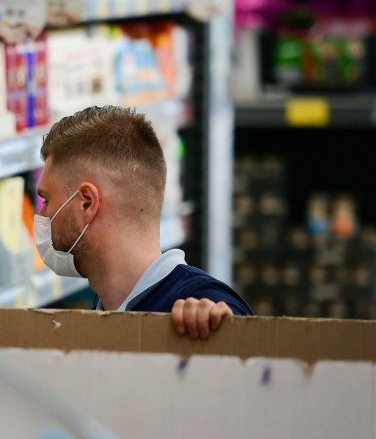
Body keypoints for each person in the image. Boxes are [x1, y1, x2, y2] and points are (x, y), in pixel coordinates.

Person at [36, 105, 252, 339]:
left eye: (46, 199)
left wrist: (222, 334)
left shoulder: (203, 313)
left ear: (87, 203)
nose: (43, 214)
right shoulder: (107, 317)